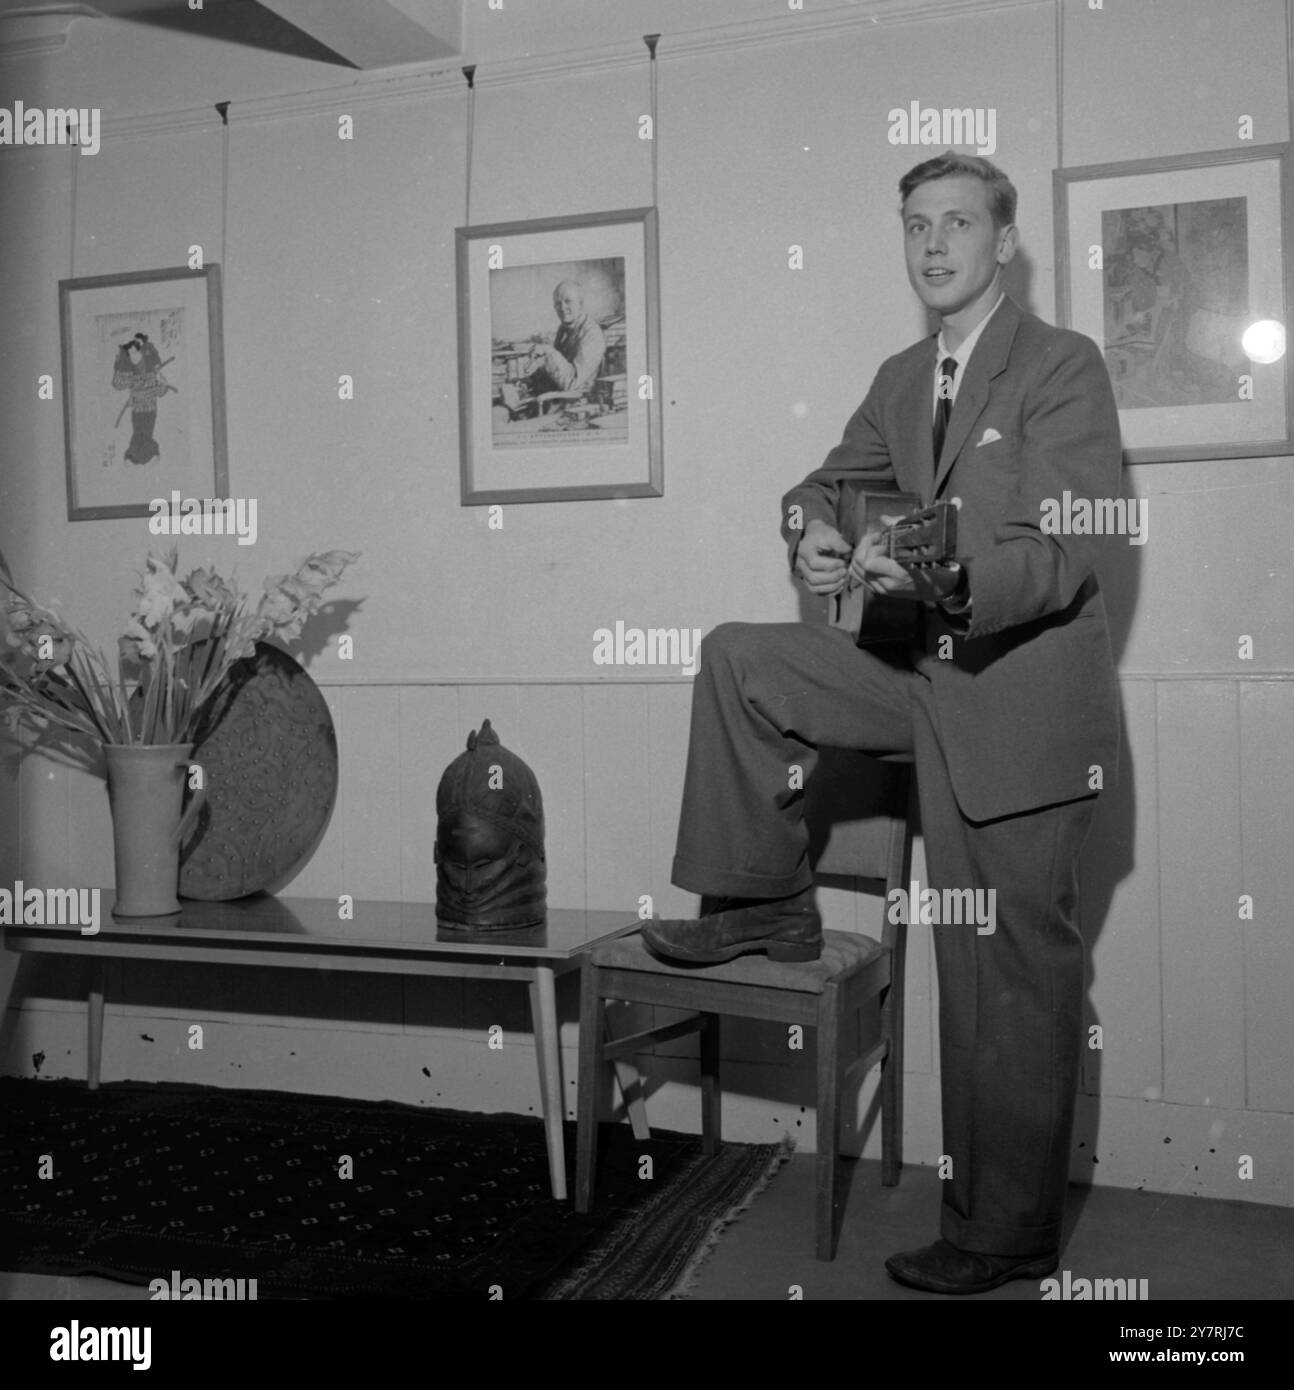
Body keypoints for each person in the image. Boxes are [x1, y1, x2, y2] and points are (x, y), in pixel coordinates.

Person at [640, 151, 1123, 1295]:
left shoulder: (1061, 367)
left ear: (1004, 242)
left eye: (958, 222)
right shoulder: (904, 375)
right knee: (741, 655)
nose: (935, 244)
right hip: (913, 675)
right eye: (916, 225)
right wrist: (806, 526)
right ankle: (765, 906)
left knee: (1003, 979)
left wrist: (934, 564)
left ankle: (1001, 1232)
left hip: (1019, 703)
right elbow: (824, 479)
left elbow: (1061, 552)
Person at [498, 280, 606, 416]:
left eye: (568, 301)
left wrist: (548, 351)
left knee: (506, 416)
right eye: (558, 303)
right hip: (555, 397)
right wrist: (528, 380)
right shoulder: (564, 329)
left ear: (581, 304)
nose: (562, 308)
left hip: (573, 405)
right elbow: (559, 368)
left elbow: (571, 383)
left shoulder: (592, 334)